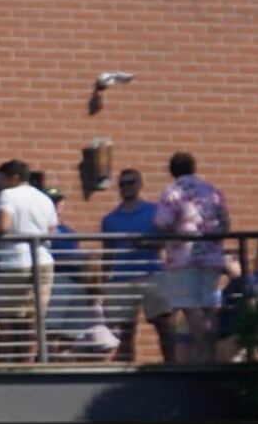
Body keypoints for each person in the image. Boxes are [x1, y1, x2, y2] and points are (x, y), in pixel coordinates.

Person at [153, 150, 229, 363]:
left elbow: (162, 223)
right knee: (210, 306)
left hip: (184, 257)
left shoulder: (173, 191)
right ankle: (212, 355)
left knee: (191, 306)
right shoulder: (213, 191)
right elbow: (225, 224)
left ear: (172, 171)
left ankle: (203, 355)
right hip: (213, 256)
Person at [0, 160, 61, 361]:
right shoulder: (44, 198)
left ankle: (5, 363)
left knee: (8, 318)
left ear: (13, 178)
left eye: (1, 179)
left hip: (16, 261)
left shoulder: (8, 195)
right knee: (35, 316)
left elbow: (4, 225)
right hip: (44, 260)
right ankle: (30, 361)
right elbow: (51, 230)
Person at [97, 169, 167, 365]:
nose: (127, 187)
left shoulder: (154, 211)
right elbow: (107, 254)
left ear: (140, 184)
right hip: (121, 278)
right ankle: (126, 369)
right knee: (125, 331)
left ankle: (171, 365)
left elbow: (165, 241)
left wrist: (147, 244)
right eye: (123, 184)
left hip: (151, 274)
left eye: (131, 182)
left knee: (163, 324)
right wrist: (102, 283)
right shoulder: (110, 219)